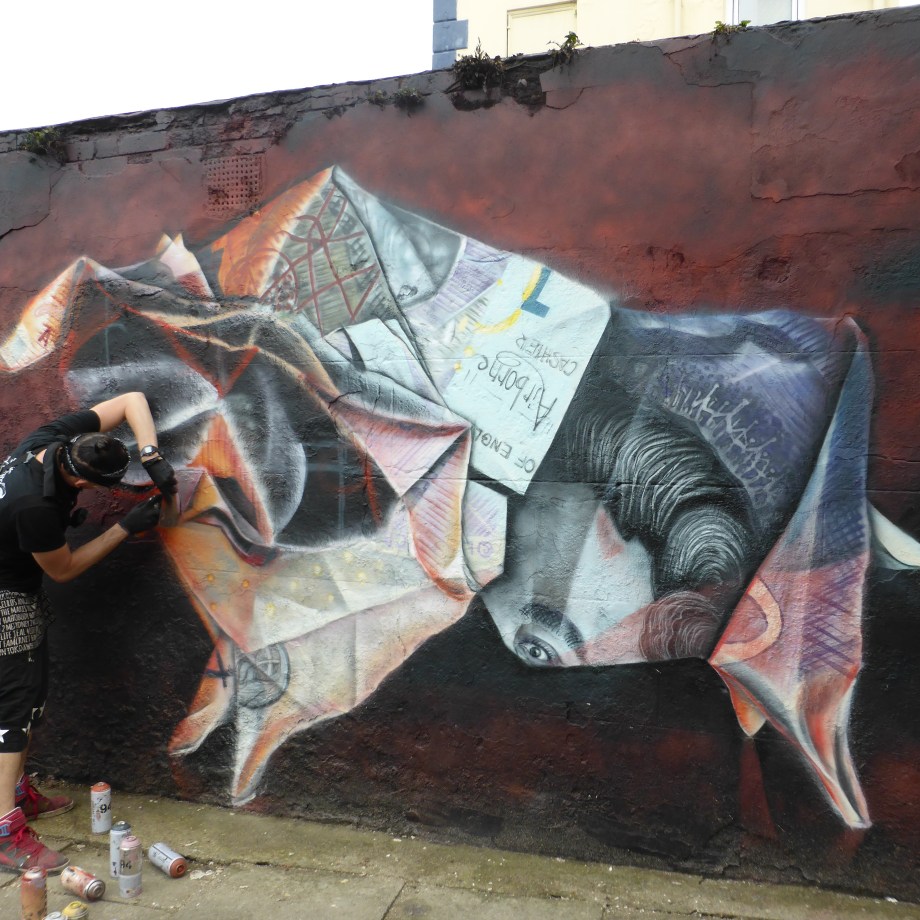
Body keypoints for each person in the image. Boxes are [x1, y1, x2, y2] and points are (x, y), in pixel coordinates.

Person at [0, 391, 176, 873]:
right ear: (80, 479)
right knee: (12, 713)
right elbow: (64, 569)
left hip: (15, 587)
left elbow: (133, 400)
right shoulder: (34, 507)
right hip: (4, 601)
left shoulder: (50, 441)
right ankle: (4, 831)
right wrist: (126, 528)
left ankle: (18, 793)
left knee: (30, 699)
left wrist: (151, 454)